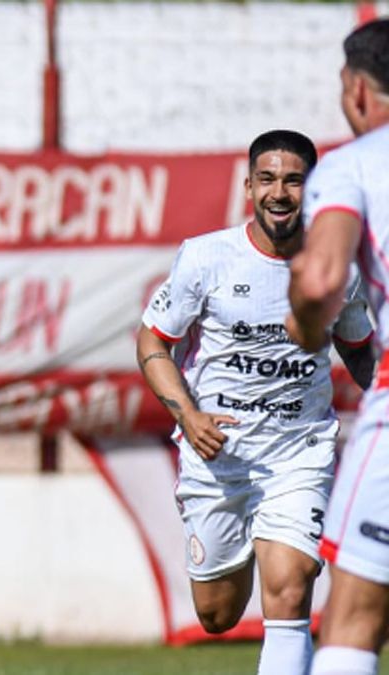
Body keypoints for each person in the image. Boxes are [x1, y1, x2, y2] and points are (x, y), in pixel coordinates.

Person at [136, 129, 375, 675]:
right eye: (267, 178)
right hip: (219, 455)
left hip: (300, 449)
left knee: (291, 589)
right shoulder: (204, 258)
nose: (279, 192)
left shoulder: (341, 265)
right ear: (248, 186)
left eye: (294, 180)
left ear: (312, 189)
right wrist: (188, 415)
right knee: (216, 614)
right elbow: (153, 340)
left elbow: (361, 352)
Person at [286, 18, 389, 675]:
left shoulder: (355, 164)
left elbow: (322, 277)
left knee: (353, 618)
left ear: (356, 91)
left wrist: (304, 320)